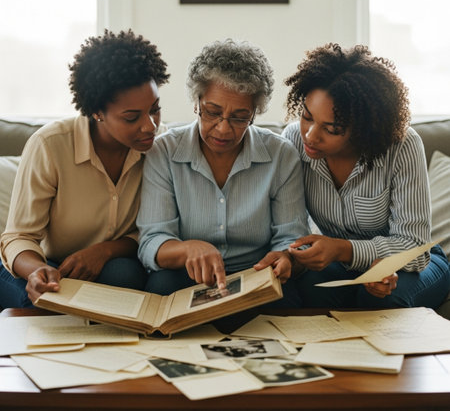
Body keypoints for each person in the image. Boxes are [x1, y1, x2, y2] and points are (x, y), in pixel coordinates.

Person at [0, 29, 170, 307]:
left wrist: (104, 251)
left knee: (125, 277)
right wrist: (36, 271)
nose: (149, 126)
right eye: (131, 117)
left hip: (112, 263)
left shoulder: (161, 146)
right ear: (96, 112)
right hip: (46, 262)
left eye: (155, 109)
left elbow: (156, 229)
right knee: (42, 301)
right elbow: (19, 236)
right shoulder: (51, 145)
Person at [137, 39, 310, 306]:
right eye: (212, 112)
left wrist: (285, 257)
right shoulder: (164, 151)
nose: (223, 129)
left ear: (255, 113)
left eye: (240, 117)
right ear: (197, 101)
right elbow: (151, 241)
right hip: (188, 276)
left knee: (290, 297)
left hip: (255, 275)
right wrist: (187, 249)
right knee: (162, 285)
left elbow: (291, 237)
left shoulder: (280, 155)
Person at [282, 43, 450, 308]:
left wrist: (342, 249)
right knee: (305, 287)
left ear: (363, 128)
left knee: (385, 299)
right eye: (306, 116)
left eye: (332, 128)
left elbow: (415, 249)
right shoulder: (292, 140)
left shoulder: (402, 146)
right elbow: (287, 226)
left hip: (411, 266)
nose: (311, 135)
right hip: (340, 268)